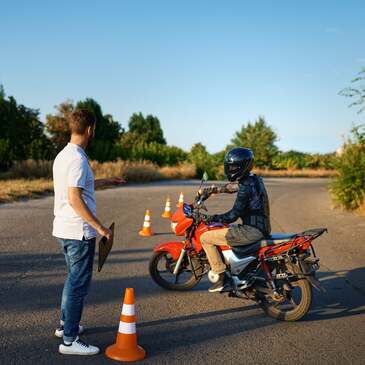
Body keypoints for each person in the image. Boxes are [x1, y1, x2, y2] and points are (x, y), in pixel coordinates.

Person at [52, 108, 124, 356]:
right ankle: (70, 341)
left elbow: (79, 187)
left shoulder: (64, 155)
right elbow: (74, 198)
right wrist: (100, 227)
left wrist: (107, 181)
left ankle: (65, 326)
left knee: (72, 280)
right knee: (78, 284)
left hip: (64, 228)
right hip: (78, 232)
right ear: (90, 129)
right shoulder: (78, 159)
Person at [199, 147, 271, 293]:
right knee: (228, 229)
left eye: (233, 166)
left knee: (206, 237)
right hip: (262, 227)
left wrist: (210, 218)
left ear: (241, 166)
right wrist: (213, 189)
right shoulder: (254, 179)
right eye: (229, 166)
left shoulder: (245, 187)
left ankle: (221, 276)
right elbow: (233, 187)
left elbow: (233, 215)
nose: (230, 169)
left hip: (251, 231)